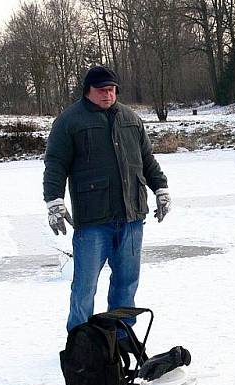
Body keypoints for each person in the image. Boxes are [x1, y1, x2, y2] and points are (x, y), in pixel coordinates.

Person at [43, 66, 171, 337]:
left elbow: (146, 159)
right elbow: (55, 164)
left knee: (126, 283)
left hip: (132, 217)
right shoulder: (69, 121)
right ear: (87, 91)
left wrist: (161, 188)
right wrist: (54, 200)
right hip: (93, 221)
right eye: (101, 90)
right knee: (85, 286)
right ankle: (80, 342)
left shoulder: (131, 118)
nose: (107, 94)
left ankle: (121, 337)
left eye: (111, 89)